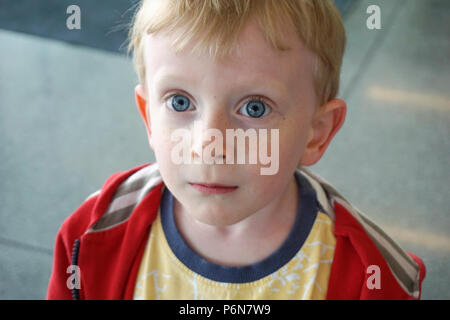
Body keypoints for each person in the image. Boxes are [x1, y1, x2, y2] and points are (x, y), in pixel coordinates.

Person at [47, 0, 425, 300]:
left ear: (316, 132)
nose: (209, 147)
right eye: (180, 103)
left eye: (254, 108)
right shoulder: (91, 235)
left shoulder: (370, 274)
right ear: (148, 117)